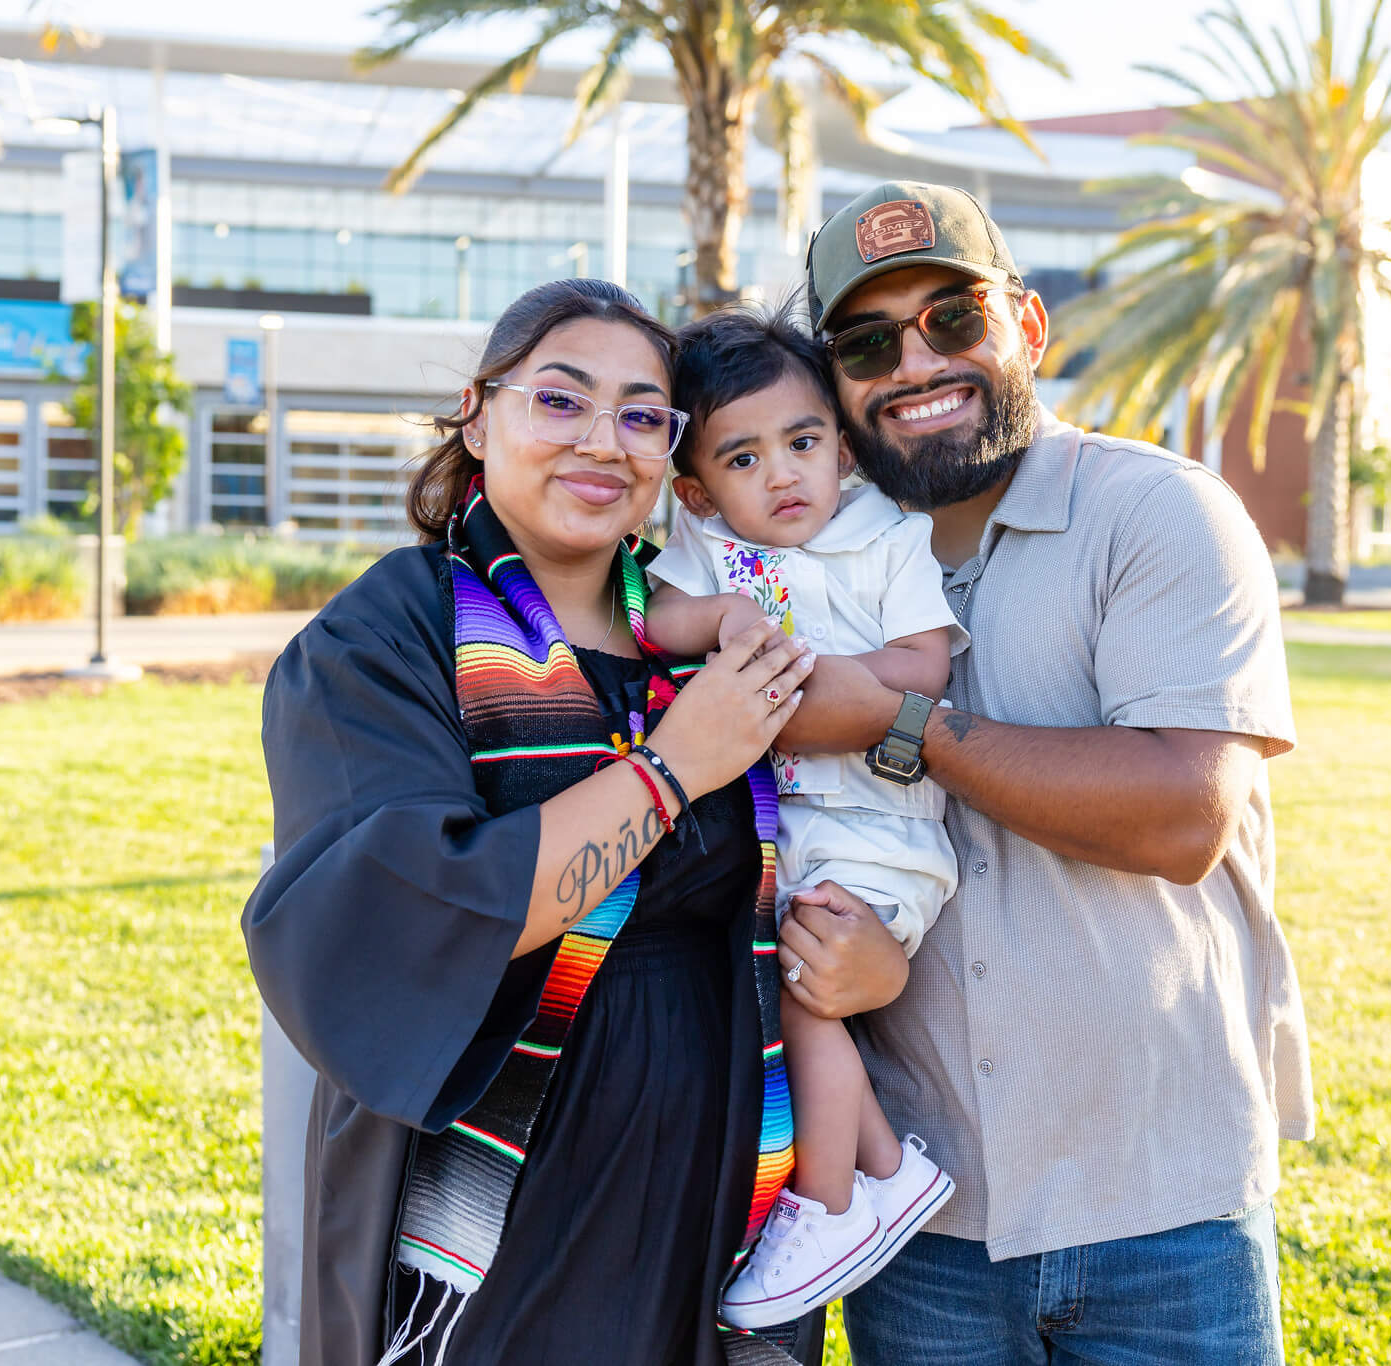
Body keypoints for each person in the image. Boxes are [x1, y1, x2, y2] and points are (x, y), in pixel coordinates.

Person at [242, 278, 905, 1366]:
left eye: (642, 416)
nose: (603, 441)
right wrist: (672, 769)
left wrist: (866, 964)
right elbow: (402, 912)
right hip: (512, 1204)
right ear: (476, 415)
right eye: (560, 400)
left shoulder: (712, 629)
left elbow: (834, 844)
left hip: (721, 1181)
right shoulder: (388, 636)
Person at [775, 181, 1315, 1364]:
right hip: (922, 1214)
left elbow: (1180, 816)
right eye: (866, 344)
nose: (915, 363)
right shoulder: (805, 551)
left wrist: (903, 720)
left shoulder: (1159, 513)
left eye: (951, 318)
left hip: (1158, 1206)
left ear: (1025, 323)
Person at [642, 306, 960, 1329]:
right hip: (790, 835)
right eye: (743, 458)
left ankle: (826, 1204)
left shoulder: (887, 536)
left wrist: (823, 688)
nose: (781, 474)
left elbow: (925, 663)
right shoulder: (710, 548)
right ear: (698, 489)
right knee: (793, 992)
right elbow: (653, 620)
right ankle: (884, 1170)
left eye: (803, 441)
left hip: (880, 833)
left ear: (840, 443)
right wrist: (723, 616)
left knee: (806, 1000)